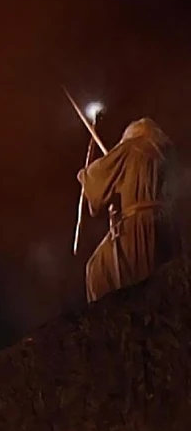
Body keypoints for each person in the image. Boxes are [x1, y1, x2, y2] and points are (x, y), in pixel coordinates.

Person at [77, 117, 184, 303]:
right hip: (167, 227)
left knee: (97, 266)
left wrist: (84, 175)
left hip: (138, 226)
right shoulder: (167, 153)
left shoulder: (132, 147)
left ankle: (112, 311)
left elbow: (98, 175)